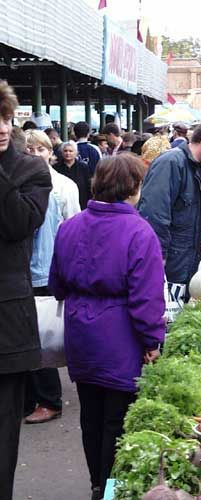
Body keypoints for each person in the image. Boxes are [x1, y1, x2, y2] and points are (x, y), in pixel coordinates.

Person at [49, 153, 165, 500]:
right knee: (117, 422)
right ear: (133, 187)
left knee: (91, 418)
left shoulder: (70, 227)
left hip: (80, 335)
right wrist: (152, 341)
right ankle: (110, 491)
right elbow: (146, 300)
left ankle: (97, 486)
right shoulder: (140, 232)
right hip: (120, 340)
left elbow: (56, 285)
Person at [0, 81, 51, 500]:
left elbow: (18, 224)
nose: (2, 127)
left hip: (7, 324)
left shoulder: (31, 171)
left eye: (4, 118)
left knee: (2, 438)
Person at [139, 117, 201, 303]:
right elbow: (154, 213)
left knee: (178, 310)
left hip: (186, 258)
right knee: (165, 310)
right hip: (171, 261)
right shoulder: (171, 163)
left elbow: (196, 210)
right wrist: (158, 256)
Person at [24, 130, 80, 425]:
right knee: (26, 335)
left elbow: (74, 227)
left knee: (41, 335)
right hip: (25, 270)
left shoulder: (63, 186)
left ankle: (49, 399)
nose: (35, 154)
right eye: (29, 149)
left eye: (40, 149)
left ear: (50, 152)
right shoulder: (20, 182)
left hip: (47, 270)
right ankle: (29, 397)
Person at [55, 141, 92, 209]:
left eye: (70, 151)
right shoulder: (56, 168)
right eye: (65, 151)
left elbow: (89, 186)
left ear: (76, 153)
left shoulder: (83, 167)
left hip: (82, 204)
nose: (68, 153)